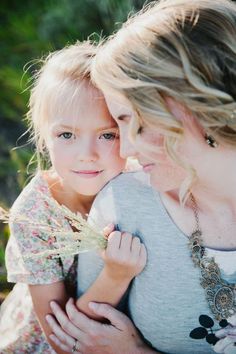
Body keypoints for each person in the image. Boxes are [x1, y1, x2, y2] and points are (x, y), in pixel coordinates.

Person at [45, 0, 236, 353]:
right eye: (119, 124)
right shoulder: (124, 206)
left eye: (136, 120)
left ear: (195, 101)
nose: (127, 149)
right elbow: (76, 342)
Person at [0, 41, 147, 354]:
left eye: (107, 135)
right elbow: (61, 340)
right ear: (44, 136)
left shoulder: (140, 183)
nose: (87, 156)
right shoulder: (36, 214)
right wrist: (116, 275)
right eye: (66, 135)